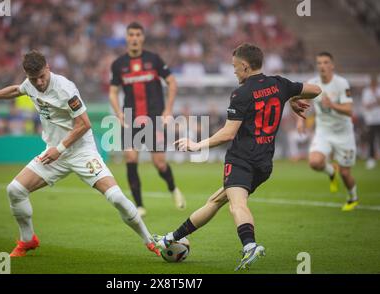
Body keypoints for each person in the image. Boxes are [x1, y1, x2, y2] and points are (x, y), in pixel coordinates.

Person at [0, 50, 160, 258]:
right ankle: (27, 240)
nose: (39, 82)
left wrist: (58, 150)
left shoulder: (65, 89)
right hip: (54, 154)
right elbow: (17, 90)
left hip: (81, 152)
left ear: (48, 68)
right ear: (27, 75)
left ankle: (150, 241)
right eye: (34, 79)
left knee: (117, 198)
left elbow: (84, 125)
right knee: (15, 190)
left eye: (42, 76)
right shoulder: (30, 84)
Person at [153, 43, 321, 270]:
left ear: (244, 66)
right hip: (264, 164)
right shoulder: (279, 84)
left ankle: (250, 245)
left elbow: (228, 133)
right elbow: (316, 90)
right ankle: (170, 238)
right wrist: (291, 98)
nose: (233, 71)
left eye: (234, 67)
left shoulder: (241, 93)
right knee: (215, 201)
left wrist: (197, 145)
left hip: (241, 160)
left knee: (236, 205)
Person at [109, 22, 185, 217]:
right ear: (127, 38)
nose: (134, 38)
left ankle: (173, 188)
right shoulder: (119, 64)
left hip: (154, 118)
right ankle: (140, 205)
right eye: (131, 34)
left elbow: (172, 82)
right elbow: (113, 91)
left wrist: (168, 110)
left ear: (142, 38)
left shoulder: (154, 60)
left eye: (137, 34)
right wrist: (118, 112)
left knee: (159, 163)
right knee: (131, 158)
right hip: (131, 119)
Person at [297, 52, 359, 211]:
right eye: (319, 63)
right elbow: (303, 100)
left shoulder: (341, 83)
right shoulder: (313, 83)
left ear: (332, 65)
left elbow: (349, 110)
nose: (322, 66)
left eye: (325, 62)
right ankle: (332, 171)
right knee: (314, 162)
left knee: (346, 174)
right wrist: (300, 119)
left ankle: (353, 197)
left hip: (343, 133)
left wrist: (332, 105)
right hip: (323, 131)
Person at [361, 74, 380, 169]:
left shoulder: (379, 91)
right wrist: (376, 103)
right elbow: (365, 105)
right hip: (370, 120)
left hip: (379, 119)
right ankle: (371, 159)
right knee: (371, 140)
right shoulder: (366, 92)